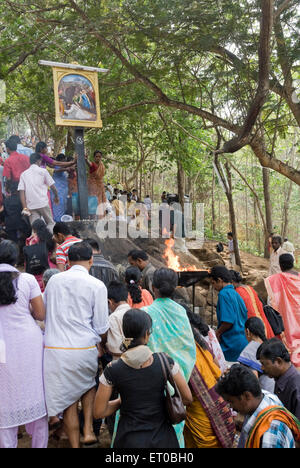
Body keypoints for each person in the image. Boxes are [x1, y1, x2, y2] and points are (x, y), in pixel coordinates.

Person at [94, 308, 192, 448]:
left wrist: (121, 402)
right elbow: (187, 398)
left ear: (124, 333)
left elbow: (99, 412)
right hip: (163, 440)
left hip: (128, 440)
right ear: (147, 334)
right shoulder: (166, 361)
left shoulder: (112, 369)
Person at [43, 241, 109, 448]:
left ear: (68, 261)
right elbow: (101, 326)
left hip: (55, 350)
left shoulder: (54, 281)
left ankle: (74, 444)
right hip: (83, 349)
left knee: (69, 399)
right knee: (88, 386)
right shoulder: (97, 285)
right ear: (91, 260)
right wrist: (103, 344)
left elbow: (44, 312)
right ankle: (88, 431)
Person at [0, 240, 48, 448]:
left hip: (2, 346)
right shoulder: (27, 279)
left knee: (4, 397)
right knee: (34, 392)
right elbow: (40, 313)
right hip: (29, 344)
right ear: (15, 258)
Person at [143, 268, 196, 447]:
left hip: (150, 385)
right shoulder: (181, 311)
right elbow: (188, 349)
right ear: (175, 287)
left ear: (153, 287)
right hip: (177, 385)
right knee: (173, 430)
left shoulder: (145, 313)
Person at [184, 311, 236, 448]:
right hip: (216, 402)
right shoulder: (200, 342)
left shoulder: (182, 349)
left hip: (199, 413)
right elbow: (216, 366)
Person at [216, 364, 300, 448]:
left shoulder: (268, 439)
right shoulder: (266, 397)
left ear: (247, 396)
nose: (231, 407)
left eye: (231, 401)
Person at [264, 253, 300, 369]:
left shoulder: (275, 280)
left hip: (288, 319)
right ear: (293, 263)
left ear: (280, 265)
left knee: (289, 340)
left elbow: (271, 302)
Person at [210, 266, 248, 363]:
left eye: (213, 283)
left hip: (231, 343)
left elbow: (228, 321)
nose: (213, 287)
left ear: (219, 280)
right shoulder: (235, 293)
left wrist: (218, 332)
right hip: (243, 340)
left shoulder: (224, 294)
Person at [257, 339, 300, 420]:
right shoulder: (280, 378)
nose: (262, 368)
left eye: (264, 364)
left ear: (278, 361)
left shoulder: (296, 385)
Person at [18, 153, 59, 232]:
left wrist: (25, 207)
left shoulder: (24, 174)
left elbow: (21, 192)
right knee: (50, 223)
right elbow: (53, 186)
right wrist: (56, 196)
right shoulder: (43, 171)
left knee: (35, 228)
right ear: (38, 161)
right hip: (43, 203)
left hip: (31, 205)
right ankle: (50, 241)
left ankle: (36, 242)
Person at [230, 270, 274, 339]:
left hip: (253, 327)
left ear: (231, 282)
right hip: (263, 322)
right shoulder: (248, 287)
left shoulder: (237, 292)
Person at [237, 317, 275, 392]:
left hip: (264, 393)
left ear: (247, 331)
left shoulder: (248, 351)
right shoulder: (269, 345)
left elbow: (252, 381)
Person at [24, 219, 56, 292]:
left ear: (34, 229)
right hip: (50, 265)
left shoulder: (32, 240)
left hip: (38, 265)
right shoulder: (50, 237)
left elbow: (30, 254)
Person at [106, 281, 131, 360]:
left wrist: (106, 346)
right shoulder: (135, 312)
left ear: (110, 302)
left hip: (121, 363)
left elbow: (116, 348)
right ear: (127, 299)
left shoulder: (113, 317)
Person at [50, 153, 70, 222]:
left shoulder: (62, 168)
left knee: (63, 208)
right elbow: (59, 170)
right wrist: (67, 168)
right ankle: (58, 223)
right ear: (60, 160)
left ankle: (60, 222)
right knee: (57, 208)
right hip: (57, 192)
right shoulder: (56, 167)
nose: (64, 162)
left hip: (63, 193)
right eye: (63, 161)